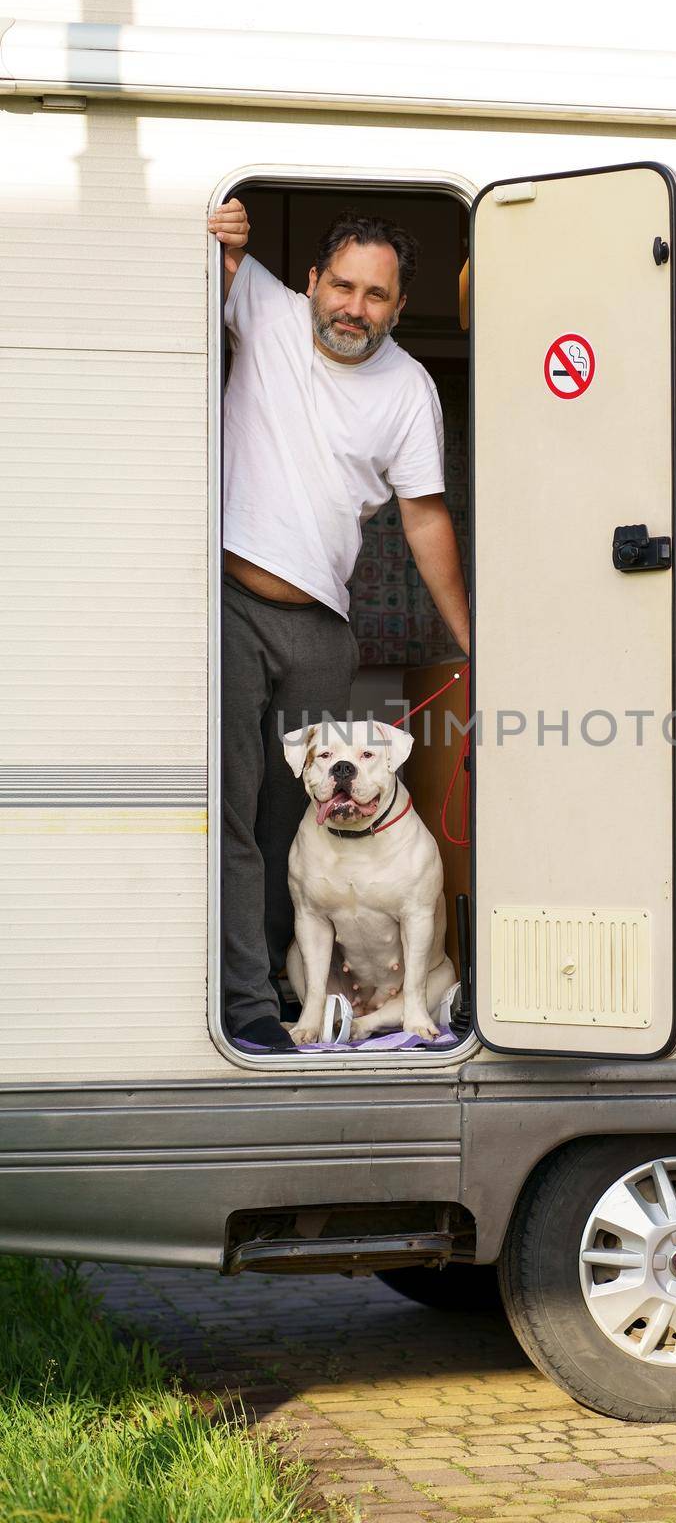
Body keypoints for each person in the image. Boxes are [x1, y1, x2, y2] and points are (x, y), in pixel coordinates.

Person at [208, 198, 470, 1051]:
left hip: (322, 627)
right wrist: (220, 231)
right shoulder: (267, 311)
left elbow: (425, 518)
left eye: (376, 296)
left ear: (398, 308)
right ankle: (250, 1007)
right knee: (239, 812)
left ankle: (302, 1001)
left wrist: (471, 641)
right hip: (232, 607)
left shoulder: (408, 388)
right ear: (313, 281)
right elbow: (199, 254)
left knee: (304, 818)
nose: (353, 308)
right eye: (343, 286)